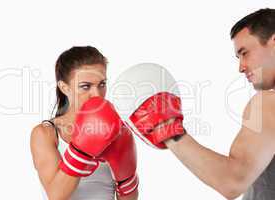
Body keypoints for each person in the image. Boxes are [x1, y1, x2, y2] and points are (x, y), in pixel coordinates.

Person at [112, 8, 275, 200]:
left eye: (244, 53)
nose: (241, 67)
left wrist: (165, 127)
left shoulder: (268, 103)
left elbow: (232, 181)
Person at [30, 46, 138, 200]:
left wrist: (127, 182)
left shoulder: (116, 129)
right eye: (85, 86)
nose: (97, 94)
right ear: (64, 87)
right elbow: (56, 196)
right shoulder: (46, 133)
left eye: (102, 84)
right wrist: (82, 153)